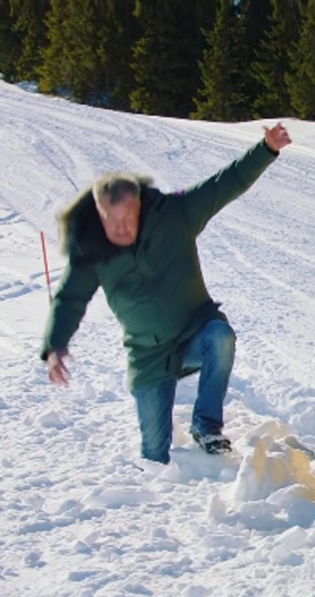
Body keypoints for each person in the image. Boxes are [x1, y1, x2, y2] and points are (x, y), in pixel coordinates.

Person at [41, 123, 293, 463]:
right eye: (111, 221)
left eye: (128, 219)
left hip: (194, 334)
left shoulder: (176, 214)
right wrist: (55, 344)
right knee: (154, 453)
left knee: (220, 336)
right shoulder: (92, 248)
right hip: (149, 355)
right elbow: (69, 299)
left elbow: (224, 184)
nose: (120, 229)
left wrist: (266, 149)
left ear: (140, 207)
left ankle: (206, 425)